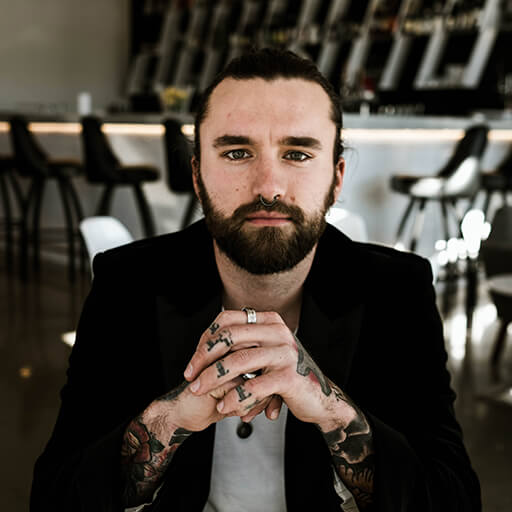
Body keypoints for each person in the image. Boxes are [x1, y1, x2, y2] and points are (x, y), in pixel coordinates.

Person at [30, 48, 481, 512]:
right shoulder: (128, 283)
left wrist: (331, 410)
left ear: (336, 178)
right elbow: (53, 497)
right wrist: (170, 418)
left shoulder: (396, 290)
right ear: (197, 175)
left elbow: (454, 499)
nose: (268, 187)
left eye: (298, 154)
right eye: (237, 153)